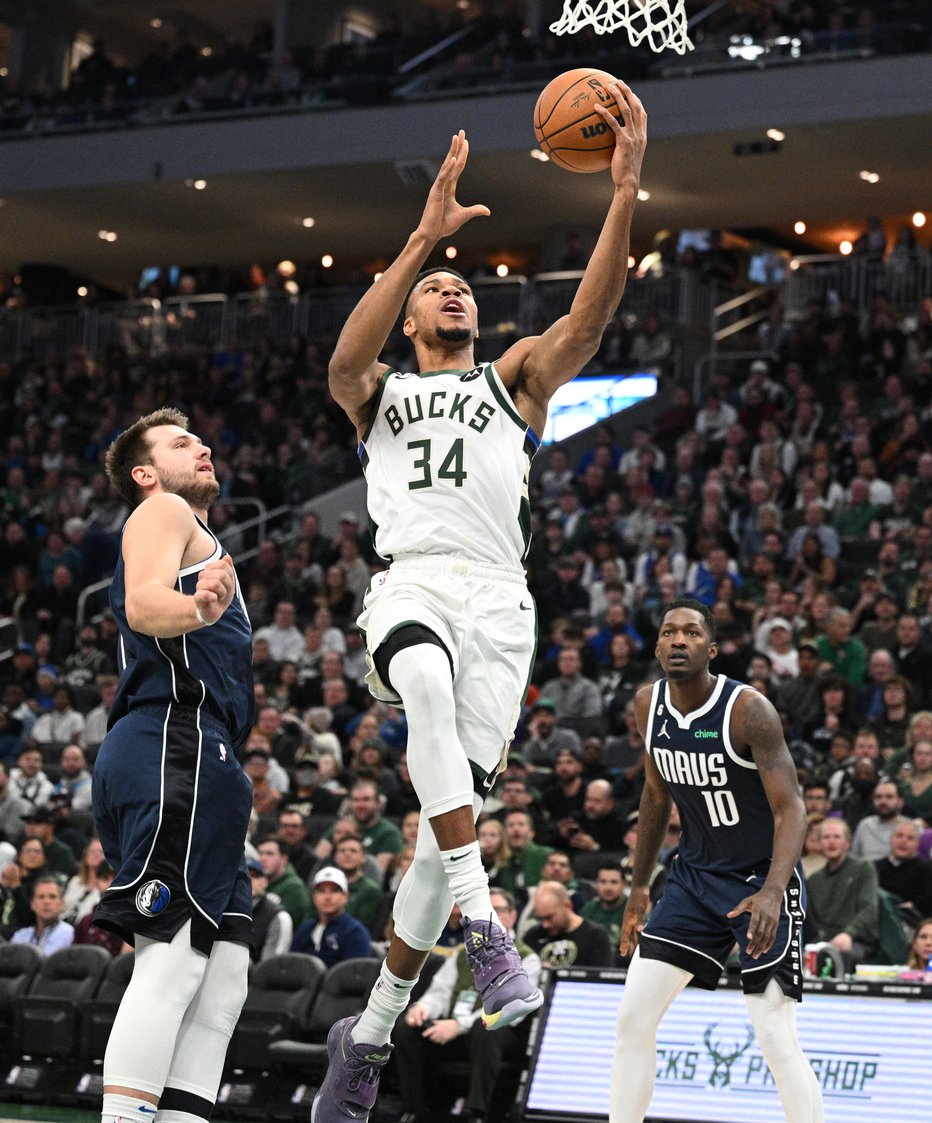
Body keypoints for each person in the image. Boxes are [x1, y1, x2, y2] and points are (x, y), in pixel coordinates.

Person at [314, 87, 648, 1123]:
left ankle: (365, 1034)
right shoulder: (380, 394)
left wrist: (624, 185)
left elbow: (587, 320)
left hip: (500, 602)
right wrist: (422, 236)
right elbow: (341, 361)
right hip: (412, 577)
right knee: (412, 673)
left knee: (428, 838)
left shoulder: (511, 380)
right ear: (412, 315)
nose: (453, 295)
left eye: (462, 285)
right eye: (438, 290)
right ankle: (487, 925)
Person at [91, 408, 255, 1123]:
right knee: (174, 959)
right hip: (172, 739)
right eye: (183, 443)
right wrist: (197, 609)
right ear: (145, 471)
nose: (205, 446)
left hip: (200, 753)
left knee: (224, 981)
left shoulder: (199, 533)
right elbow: (145, 600)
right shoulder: (161, 509)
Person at [610, 599, 821, 1123]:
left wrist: (774, 889)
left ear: (712, 646)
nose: (678, 640)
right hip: (691, 880)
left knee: (774, 1034)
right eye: (668, 632)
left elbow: (792, 808)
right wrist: (640, 888)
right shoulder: (647, 705)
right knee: (633, 1019)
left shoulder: (748, 710)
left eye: (691, 632)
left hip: (758, 881)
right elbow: (656, 797)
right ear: (657, 646)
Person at [393, 887, 540, 1123]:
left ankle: (476, 1113)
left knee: (488, 1028)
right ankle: (415, 1109)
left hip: (498, 1036)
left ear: (512, 917)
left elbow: (512, 1010)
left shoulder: (527, 958)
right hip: (454, 1030)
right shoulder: (463, 953)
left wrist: (458, 1025)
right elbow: (439, 993)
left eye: (497, 910)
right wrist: (423, 1009)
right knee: (406, 1027)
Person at [806, 817, 879, 970]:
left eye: (837, 837)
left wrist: (848, 934)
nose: (831, 842)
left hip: (856, 941)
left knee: (841, 956)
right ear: (819, 843)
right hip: (823, 941)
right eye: (826, 837)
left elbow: (869, 908)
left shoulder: (864, 869)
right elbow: (811, 921)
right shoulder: (814, 879)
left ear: (848, 842)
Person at [291, 866, 372, 967]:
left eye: (334, 891)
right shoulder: (305, 929)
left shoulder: (355, 932)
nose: (327, 897)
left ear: (345, 896)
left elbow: (355, 975)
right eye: (321, 891)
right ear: (313, 897)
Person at [523, 880, 612, 968]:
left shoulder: (594, 936)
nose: (545, 925)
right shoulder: (533, 936)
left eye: (549, 917)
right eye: (540, 919)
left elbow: (600, 978)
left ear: (568, 906)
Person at [10, 874, 75, 953]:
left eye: (52, 897)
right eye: (41, 897)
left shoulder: (70, 934)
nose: (46, 902)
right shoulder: (20, 937)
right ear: (32, 904)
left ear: (61, 904)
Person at [246, 855, 293, 964]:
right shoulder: (223, 908)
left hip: (253, 979)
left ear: (265, 882)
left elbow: (269, 969)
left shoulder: (278, 916)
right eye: (243, 875)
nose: (248, 880)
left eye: (254, 876)